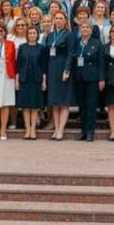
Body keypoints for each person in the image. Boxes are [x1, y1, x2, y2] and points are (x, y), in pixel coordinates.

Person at [45, 11, 75, 141]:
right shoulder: (50, 35)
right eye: (56, 18)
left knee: (64, 101)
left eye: (61, 18)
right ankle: (56, 129)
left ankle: (61, 130)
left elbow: (71, 53)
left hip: (63, 68)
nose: (58, 20)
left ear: (65, 20)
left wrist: (67, 70)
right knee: (55, 102)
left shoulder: (69, 35)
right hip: (52, 68)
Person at [72, 21, 104, 142]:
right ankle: (83, 131)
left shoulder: (97, 43)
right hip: (79, 77)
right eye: (83, 27)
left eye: (87, 27)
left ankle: (90, 131)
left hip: (92, 78)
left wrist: (101, 79)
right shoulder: (76, 43)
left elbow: (101, 63)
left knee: (91, 105)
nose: (85, 29)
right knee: (82, 106)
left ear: (91, 30)